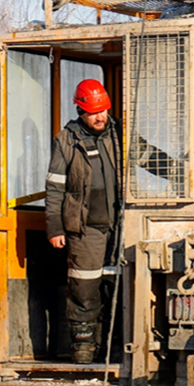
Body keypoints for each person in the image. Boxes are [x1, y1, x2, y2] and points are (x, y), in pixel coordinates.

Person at [45, 80, 122, 364]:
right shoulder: (66, 140)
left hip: (120, 226)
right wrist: (55, 227)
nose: (100, 117)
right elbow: (54, 187)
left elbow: (150, 157)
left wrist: (179, 171)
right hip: (84, 228)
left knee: (116, 287)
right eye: (93, 112)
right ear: (80, 110)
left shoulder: (120, 133)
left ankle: (114, 347)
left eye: (103, 110)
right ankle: (84, 348)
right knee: (84, 287)